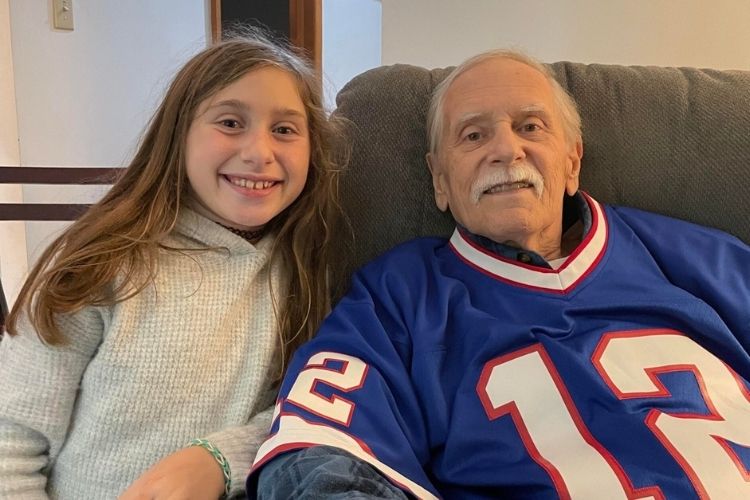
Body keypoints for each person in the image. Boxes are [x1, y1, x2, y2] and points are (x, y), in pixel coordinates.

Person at [247, 49, 750, 499]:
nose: (507, 150)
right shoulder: (397, 297)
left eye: (531, 127)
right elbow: (318, 457)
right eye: (473, 135)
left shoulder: (701, 257)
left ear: (573, 161)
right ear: (440, 181)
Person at [0, 30, 345, 499]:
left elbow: (304, 409)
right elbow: (12, 438)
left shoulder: (309, 269)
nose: (259, 153)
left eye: (284, 129)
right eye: (229, 122)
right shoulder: (103, 261)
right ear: (178, 135)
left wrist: (221, 460)